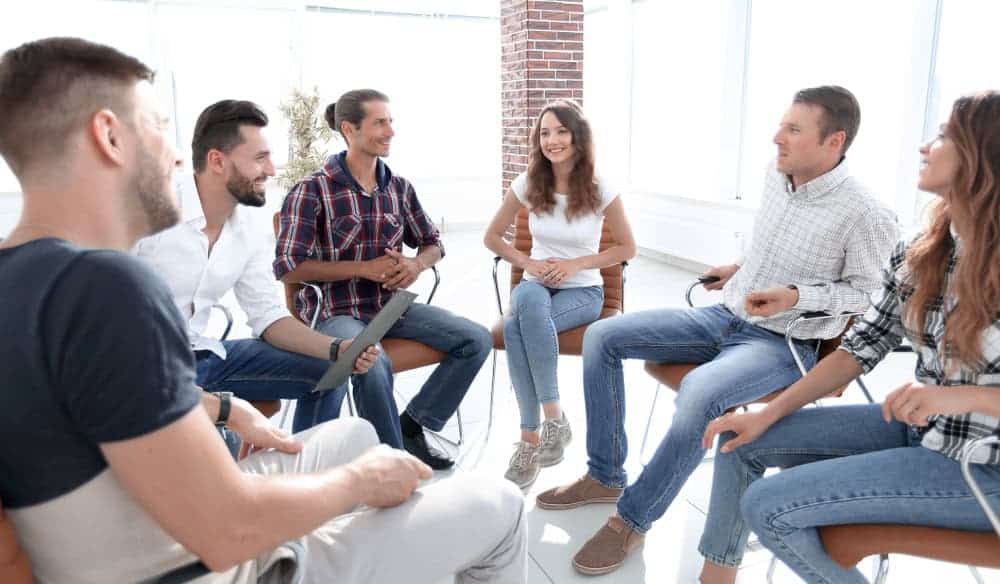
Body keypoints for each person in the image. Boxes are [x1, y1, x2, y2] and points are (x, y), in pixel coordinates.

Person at [0, 37, 526, 584]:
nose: (176, 154)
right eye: (157, 126)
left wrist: (226, 410)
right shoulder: (108, 285)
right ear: (109, 136)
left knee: (354, 437)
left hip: (139, 516)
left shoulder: (27, 278)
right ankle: (332, 555)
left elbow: (100, 402)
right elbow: (228, 530)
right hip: (212, 561)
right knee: (500, 504)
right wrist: (357, 485)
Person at [535, 86, 900, 576]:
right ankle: (604, 475)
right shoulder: (777, 176)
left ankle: (633, 519)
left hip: (783, 341)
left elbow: (864, 295)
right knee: (605, 336)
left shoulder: (868, 213)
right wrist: (739, 268)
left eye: (793, 129)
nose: (777, 137)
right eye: (781, 125)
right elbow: (767, 244)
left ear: (834, 141)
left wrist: (795, 295)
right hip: (724, 314)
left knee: (700, 392)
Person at [698, 91, 1000, 584]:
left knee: (768, 507)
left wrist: (953, 395)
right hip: (925, 436)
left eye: (945, 135)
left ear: (985, 154)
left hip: (984, 471)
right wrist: (767, 413)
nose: (926, 146)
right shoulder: (924, 252)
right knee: (741, 439)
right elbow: (861, 347)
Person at [274, 88, 493, 469]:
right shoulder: (312, 190)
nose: (390, 131)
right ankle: (392, 464)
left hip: (390, 308)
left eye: (390, 121)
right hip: (334, 312)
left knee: (476, 339)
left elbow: (433, 243)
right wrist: (362, 268)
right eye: (380, 122)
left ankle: (414, 425)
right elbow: (288, 266)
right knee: (371, 361)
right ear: (349, 129)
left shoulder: (398, 187)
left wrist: (415, 265)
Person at [134, 99, 381, 435]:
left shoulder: (250, 225)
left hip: (203, 355)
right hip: (146, 370)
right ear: (217, 161)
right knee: (219, 471)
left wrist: (337, 348)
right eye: (260, 158)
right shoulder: (148, 212)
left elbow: (267, 316)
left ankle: (302, 472)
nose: (272, 170)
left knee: (329, 371)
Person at [484, 100, 636, 489]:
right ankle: (555, 419)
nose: (552, 140)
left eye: (561, 131)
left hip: (583, 292)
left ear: (577, 136)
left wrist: (576, 264)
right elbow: (491, 237)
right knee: (528, 304)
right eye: (545, 133)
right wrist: (528, 263)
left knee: (519, 326)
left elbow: (626, 249)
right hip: (535, 286)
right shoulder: (529, 183)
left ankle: (529, 440)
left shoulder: (601, 188)